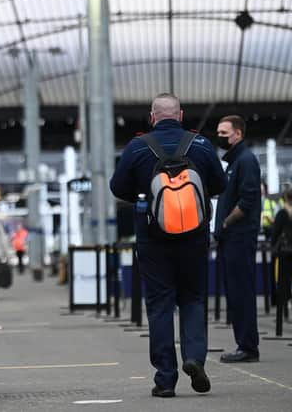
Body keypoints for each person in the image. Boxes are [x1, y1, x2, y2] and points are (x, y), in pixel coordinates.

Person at [110, 93, 226, 397]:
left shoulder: (138, 147)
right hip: (195, 238)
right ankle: (194, 358)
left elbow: (117, 188)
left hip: (153, 239)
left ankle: (165, 380)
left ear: (152, 117)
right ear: (181, 115)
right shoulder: (200, 144)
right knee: (193, 299)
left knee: (160, 305)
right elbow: (220, 186)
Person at [214, 115, 262, 363]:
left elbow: (248, 199)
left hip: (240, 237)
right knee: (235, 292)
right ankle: (244, 343)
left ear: (238, 134)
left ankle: (248, 347)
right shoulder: (234, 162)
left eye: (224, 132)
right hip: (230, 238)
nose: (220, 136)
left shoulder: (246, 161)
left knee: (241, 291)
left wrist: (225, 222)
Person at [271, 188, 292, 309]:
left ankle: (282, 307)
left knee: (283, 282)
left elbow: (275, 234)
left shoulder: (282, 214)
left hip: (284, 254)